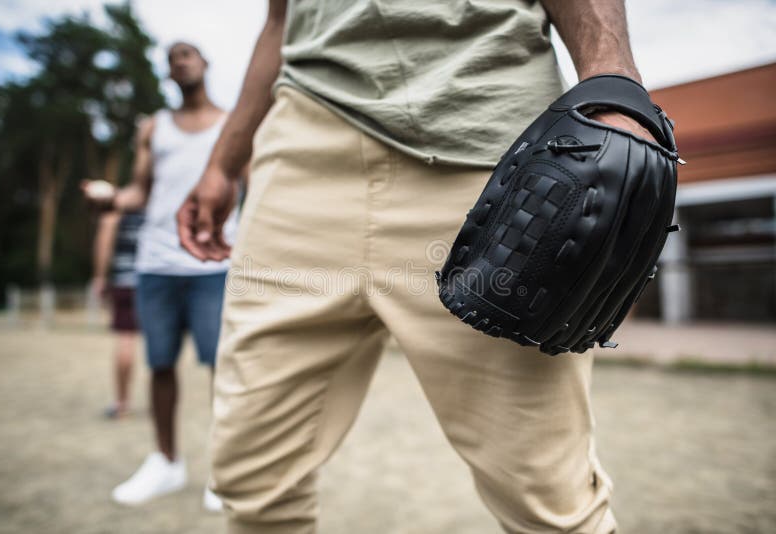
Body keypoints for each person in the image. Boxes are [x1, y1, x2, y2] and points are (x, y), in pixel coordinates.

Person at [179, 1, 656, 531]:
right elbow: (279, 19)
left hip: (497, 167)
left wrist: (615, 83)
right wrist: (223, 163)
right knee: (250, 480)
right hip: (298, 158)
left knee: (550, 499)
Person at [83, 41, 238, 510]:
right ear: (167, 72)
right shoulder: (154, 127)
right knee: (160, 365)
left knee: (221, 368)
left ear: (206, 63)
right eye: (172, 57)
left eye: (188, 53)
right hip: (157, 263)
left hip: (214, 265)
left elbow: (254, 184)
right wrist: (110, 200)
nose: (180, 61)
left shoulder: (234, 125)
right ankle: (167, 462)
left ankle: (224, 472)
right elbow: (139, 192)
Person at [90, 209, 144, 419]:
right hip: (157, 280)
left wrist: (100, 276)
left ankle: (122, 402)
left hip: (124, 280)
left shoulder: (115, 211)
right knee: (161, 345)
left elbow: (104, 240)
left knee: (125, 339)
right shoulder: (158, 203)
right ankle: (162, 399)